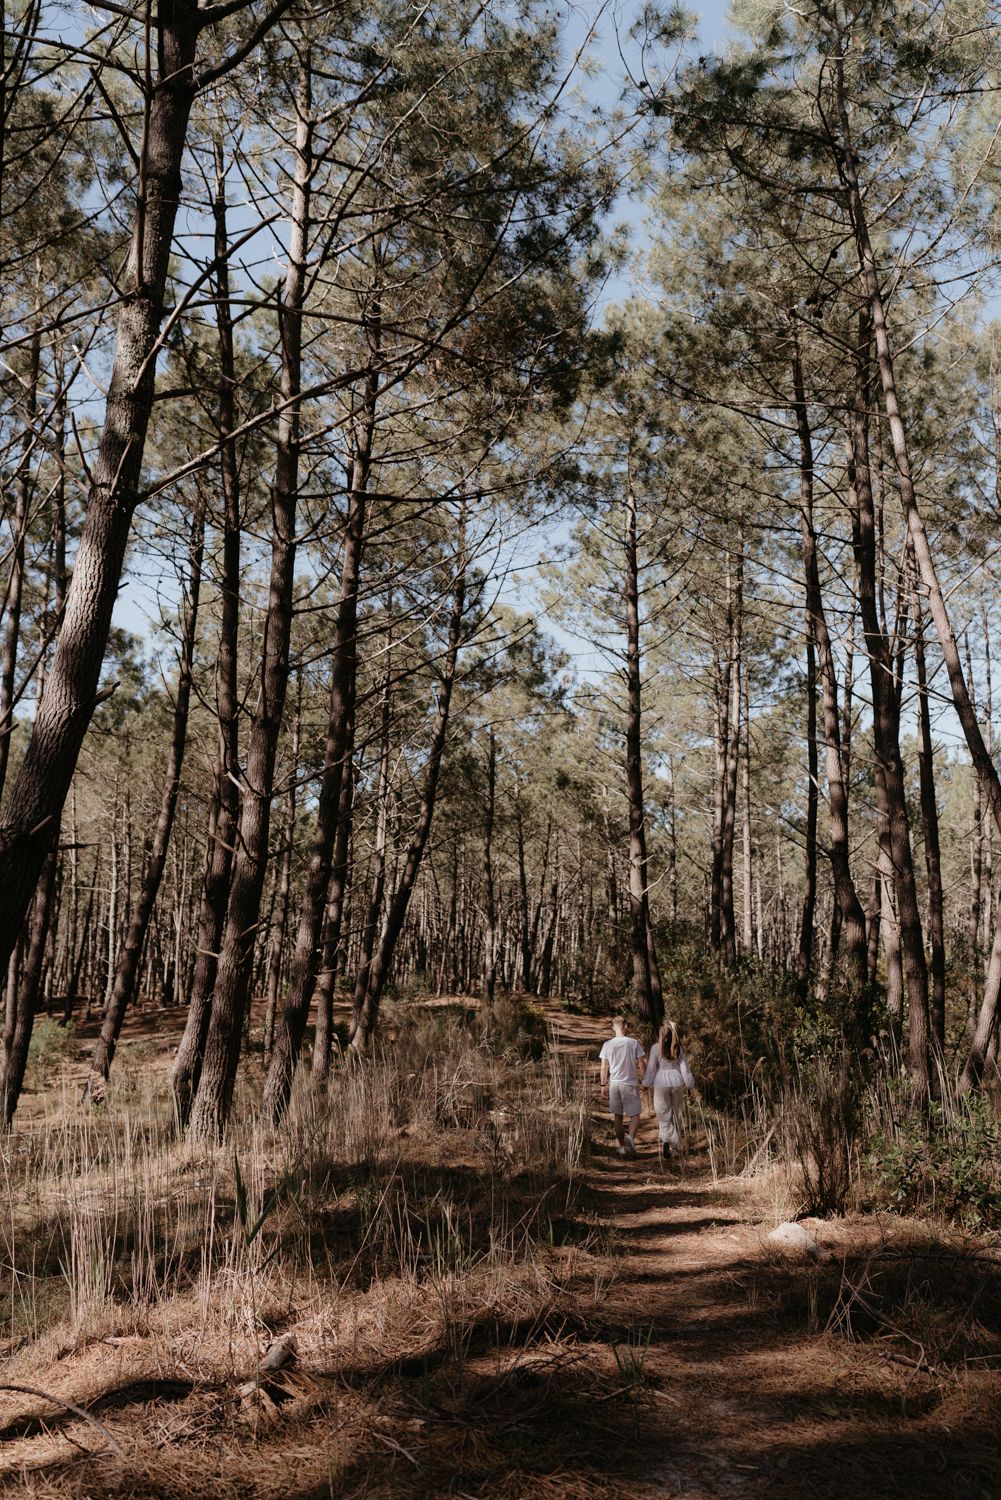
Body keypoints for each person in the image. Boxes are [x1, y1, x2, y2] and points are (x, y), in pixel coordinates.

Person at [642, 1018, 695, 1160]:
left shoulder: (655, 1048)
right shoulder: (678, 1048)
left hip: (661, 1084)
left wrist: (646, 1083)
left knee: (663, 1113)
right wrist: (690, 1085)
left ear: (661, 1033)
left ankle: (666, 1137)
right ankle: (676, 1147)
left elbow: (651, 1069)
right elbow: (685, 1069)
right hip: (677, 1082)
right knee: (677, 1114)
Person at [599, 1015, 645, 1158]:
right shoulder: (633, 1043)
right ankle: (630, 1137)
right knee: (635, 1115)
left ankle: (622, 1147)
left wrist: (602, 1085)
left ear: (613, 1028)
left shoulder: (607, 1045)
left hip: (614, 1085)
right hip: (630, 1084)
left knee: (617, 1117)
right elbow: (641, 1064)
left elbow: (603, 1067)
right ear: (626, 1027)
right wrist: (645, 1081)